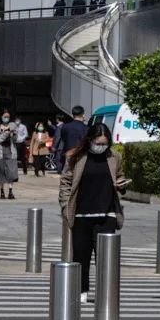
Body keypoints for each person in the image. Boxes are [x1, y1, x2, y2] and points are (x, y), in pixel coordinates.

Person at [59, 121, 127, 302]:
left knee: (105, 259)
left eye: (104, 143)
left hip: (107, 215)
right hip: (81, 214)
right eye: (98, 143)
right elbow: (65, 182)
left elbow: (119, 176)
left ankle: (105, 293)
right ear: (90, 140)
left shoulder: (114, 157)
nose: (101, 147)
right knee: (81, 255)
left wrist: (121, 185)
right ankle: (81, 291)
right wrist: (66, 206)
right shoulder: (75, 157)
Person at [0, 113, 19, 199]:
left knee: (11, 171)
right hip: (0, 151)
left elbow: (15, 139)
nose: (6, 118)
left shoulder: (12, 125)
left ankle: (10, 191)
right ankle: (2, 191)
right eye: (5, 116)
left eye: (8, 117)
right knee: (1, 172)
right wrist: (6, 133)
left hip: (10, 151)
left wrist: (13, 134)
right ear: (1, 117)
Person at [53, 105, 88, 171]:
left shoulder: (65, 127)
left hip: (68, 153)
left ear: (73, 114)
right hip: (81, 154)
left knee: (68, 173)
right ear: (83, 114)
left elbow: (63, 138)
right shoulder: (86, 128)